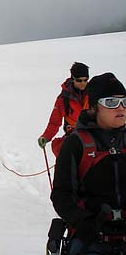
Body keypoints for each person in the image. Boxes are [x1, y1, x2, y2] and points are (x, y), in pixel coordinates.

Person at [50, 72, 126, 255]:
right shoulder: (76, 144)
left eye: (124, 101)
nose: (120, 108)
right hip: (92, 241)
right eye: (111, 102)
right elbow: (61, 194)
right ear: (93, 107)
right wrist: (82, 223)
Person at [38, 62, 90, 157]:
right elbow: (54, 122)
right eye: (79, 80)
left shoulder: (94, 94)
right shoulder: (63, 99)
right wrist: (45, 137)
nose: (83, 83)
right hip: (74, 136)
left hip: (93, 134)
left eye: (85, 80)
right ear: (73, 78)